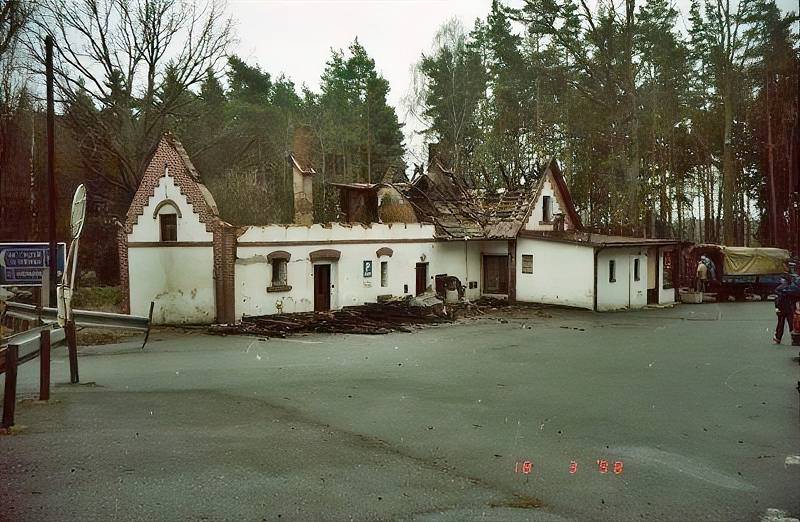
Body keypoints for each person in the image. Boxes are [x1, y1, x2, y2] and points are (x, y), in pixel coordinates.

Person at [773, 274, 800, 344]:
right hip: (788, 308)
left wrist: (777, 307)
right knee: (791, 324)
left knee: (782, 323)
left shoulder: (780, 288)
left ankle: (778, 338)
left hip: (784, 308)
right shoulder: (792, 288)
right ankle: (794, 339)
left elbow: (777, 300)